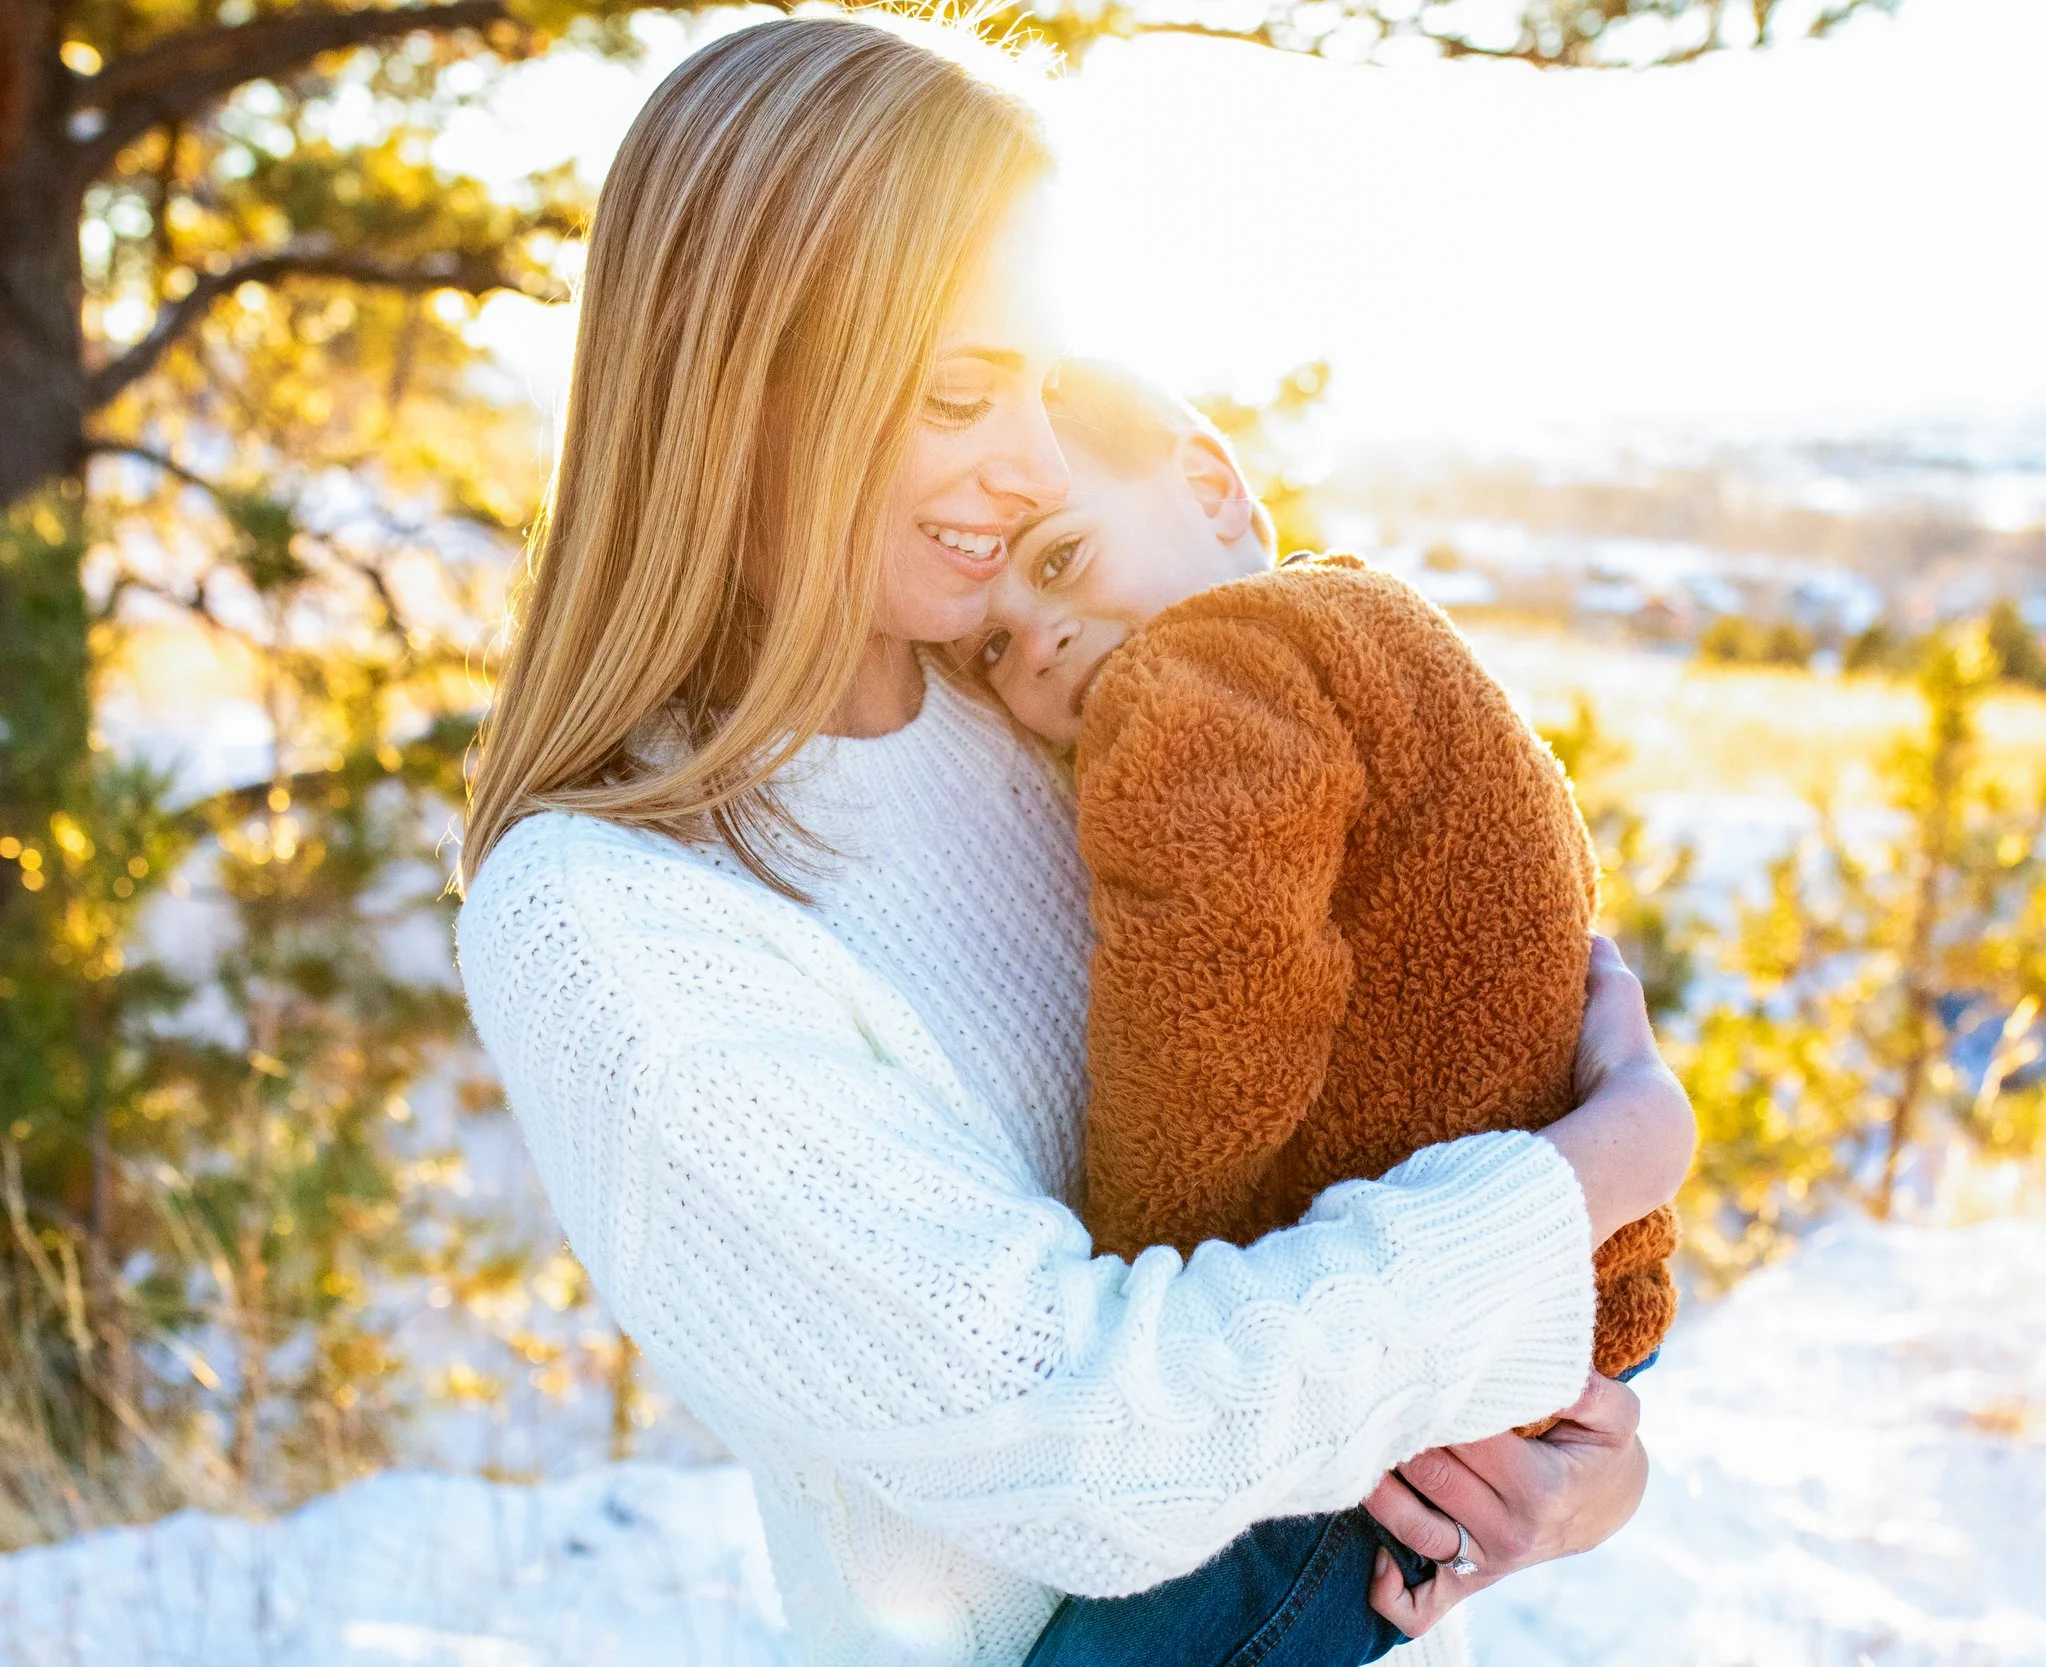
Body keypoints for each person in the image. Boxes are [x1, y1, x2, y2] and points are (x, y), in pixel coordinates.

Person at [452, 18, 1696, 1667]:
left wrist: (1568, 1467)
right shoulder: (610, 915)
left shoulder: (1066, 716)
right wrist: (1592, 1174)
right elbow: (1093, 1444)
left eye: (1044, 386)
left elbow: (1358, 1138)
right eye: (964, 389)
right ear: (738, 383)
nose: (1031, 466)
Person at [960, 360, 1682, 1667]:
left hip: (1368, 1393)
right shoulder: (1376, 627)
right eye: (995, 646)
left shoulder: (1199, 668)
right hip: (1543, 1327)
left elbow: (1217, 1006)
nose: (1041, 636)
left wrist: (1152, 1274)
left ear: (1213, 486)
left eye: (1061, 562)